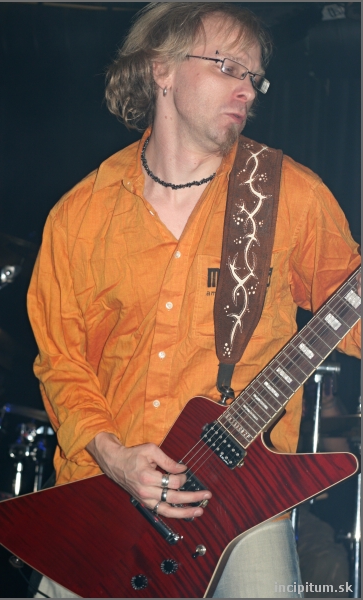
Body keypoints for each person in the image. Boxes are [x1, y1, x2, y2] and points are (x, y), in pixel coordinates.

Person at [27, 3, 361, 598]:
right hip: (101, 497)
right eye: (228, 67)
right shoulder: (80, 215)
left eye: (255, 77)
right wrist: (115, 457)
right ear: (162, 68)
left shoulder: (292, 197)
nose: (247, 89)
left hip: (242, 503)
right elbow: (61, 363)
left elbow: (351, 317)